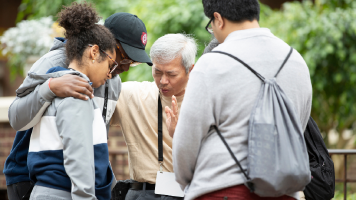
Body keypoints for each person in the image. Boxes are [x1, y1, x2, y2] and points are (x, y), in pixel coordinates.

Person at [4, 7, 152, 200]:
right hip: (34, 179)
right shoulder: (54, 62)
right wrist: (50, 87)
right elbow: (16, 117)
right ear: (100, 44)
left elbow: (90, 142)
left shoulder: (113, 83)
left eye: (132, 62)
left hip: (80, 186)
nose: (123, 67)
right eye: (122, 56)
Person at [172, 0, 312, 200]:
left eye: (210, 25)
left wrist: (188, 181)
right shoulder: (296, 61)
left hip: (221, 189)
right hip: (283, 191)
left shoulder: (212, 62)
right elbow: (298, 125)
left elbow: (187, 141)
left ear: (218, 19)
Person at [24, 2, 117, 199]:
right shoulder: (77, 92)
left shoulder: (59, 83)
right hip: (63, 193)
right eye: (110, 63)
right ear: (94, 52)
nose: (110, 74)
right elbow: (78, 157)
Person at [110, 33, 197, 200]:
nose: (163, 81)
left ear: (190, 69)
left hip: (188, 193)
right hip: (142, 193)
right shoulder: (132, 95)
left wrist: (182, 136)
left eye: (171, 74)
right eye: (157, 72)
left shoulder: (204, 103)